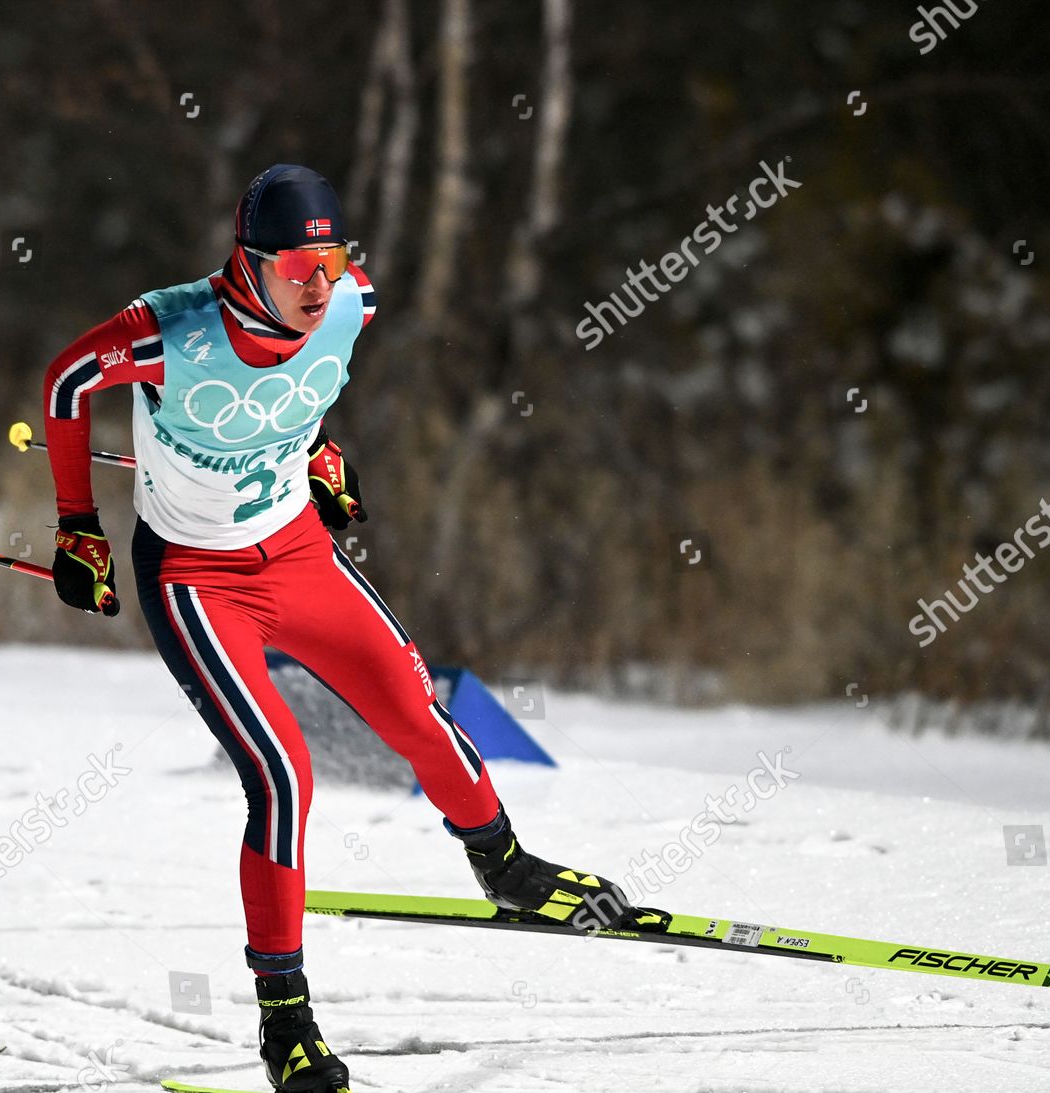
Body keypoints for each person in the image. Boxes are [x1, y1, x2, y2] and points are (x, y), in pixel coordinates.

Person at [41, 164, 632, 1093]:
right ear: (248, 262)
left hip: (301, 554)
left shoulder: (350, 303)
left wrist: (318, 452)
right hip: (197, 578)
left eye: (332, 258)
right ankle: (286, 1020)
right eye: (296, 265)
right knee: (282, 773)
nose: (318, 285)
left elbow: (307, 385)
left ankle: (505, 865)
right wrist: (78, 524)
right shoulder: (171, 331)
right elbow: (67, 382)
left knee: (417, 711)